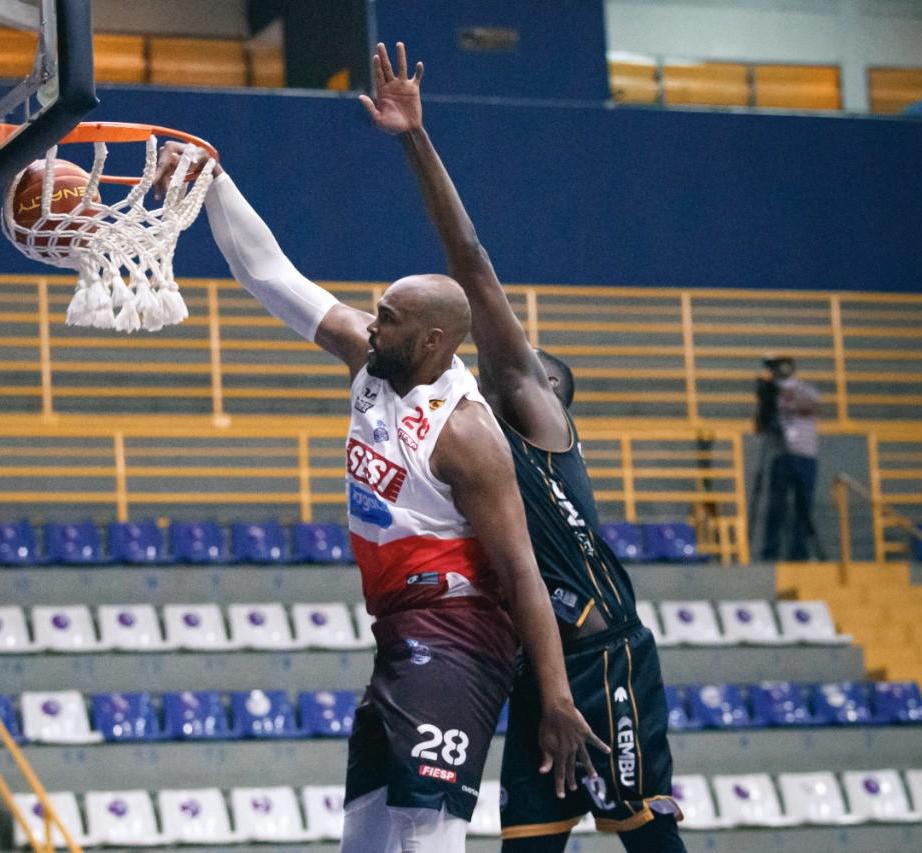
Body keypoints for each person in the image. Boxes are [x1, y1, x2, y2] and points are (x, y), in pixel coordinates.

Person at [156, 129, 606, 853]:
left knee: (426, 827)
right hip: (400, 630)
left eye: (389, 316)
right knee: (365, 832)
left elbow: (522, 568)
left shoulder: (466, 434)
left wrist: (554, 692)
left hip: (458, 635)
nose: (373, 320)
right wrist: (214, 181)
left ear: (432, 341)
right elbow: (271, 274)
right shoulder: (370, 363)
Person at [359, 42, 685, 851]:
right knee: (529, 841)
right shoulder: (462, 427)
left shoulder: (530, 412)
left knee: (642, 833)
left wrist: (414, 136)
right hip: (539, 666)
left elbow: (469, 261)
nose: (514, 354)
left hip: (600, 655)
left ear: (548, 389)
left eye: (532, 361)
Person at [754, 356, 821, 561]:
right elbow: (759, 428)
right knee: (776, 505)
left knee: (803, 504)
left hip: (804, 454)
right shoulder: (772, 395)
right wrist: (765, 403)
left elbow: (812, 407)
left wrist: (785, 395)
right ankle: (771, 550)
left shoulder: (804, 389)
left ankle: (799, 552)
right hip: (780, 455)